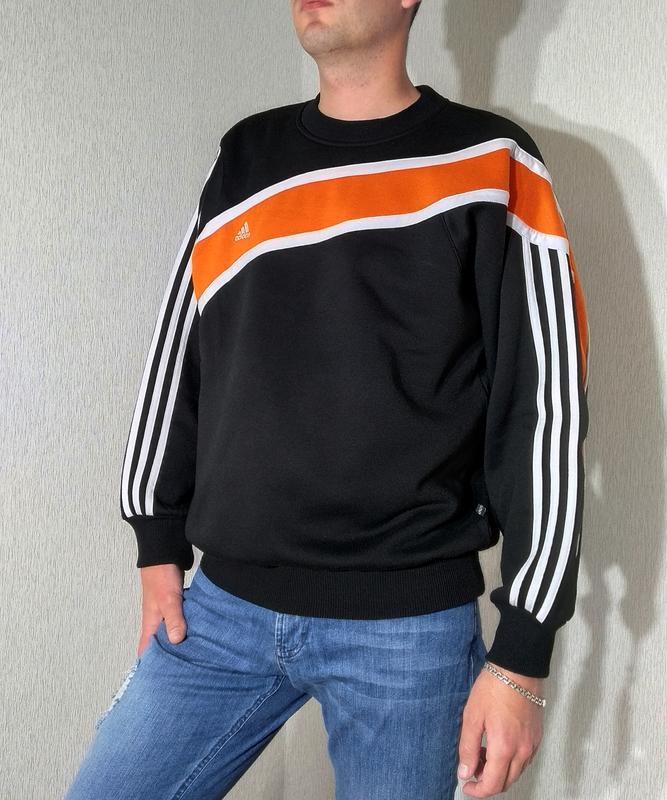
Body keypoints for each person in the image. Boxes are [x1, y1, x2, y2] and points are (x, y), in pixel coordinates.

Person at [64, 1, 590, 798]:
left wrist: (522, 649)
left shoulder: (492, 160)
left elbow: (544, 403)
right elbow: (179, 351)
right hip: (224, 608)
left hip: (407, 631)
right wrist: (155, 538)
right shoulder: (246, 157)